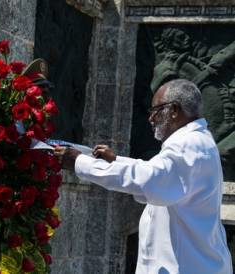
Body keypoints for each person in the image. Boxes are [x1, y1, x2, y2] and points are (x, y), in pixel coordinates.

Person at [55, 79, 233, 274]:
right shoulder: (195, 142)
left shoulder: (188, 145)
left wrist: (80, 162)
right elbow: (157, 173)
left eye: (156, 110)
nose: (151, 118)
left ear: (173, 110)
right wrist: (116, 161)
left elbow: (149, 180)